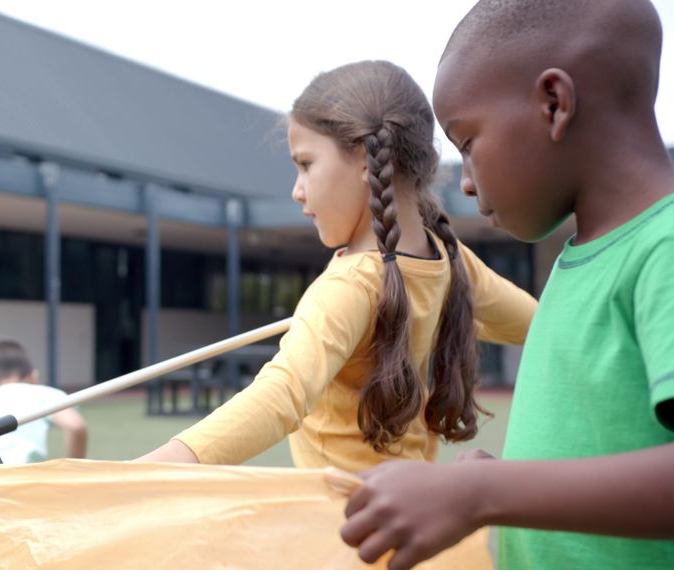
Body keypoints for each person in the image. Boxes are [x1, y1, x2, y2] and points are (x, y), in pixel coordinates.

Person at [339, 1, 674, 569]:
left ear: (553, 103)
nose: (465, 184)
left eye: (468, 142)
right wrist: (506, 483)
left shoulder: (662, 249)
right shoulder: (583, 260)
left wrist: (483, 495)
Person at [137, 60, 536, 474]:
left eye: (305, 164)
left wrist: (144, 471)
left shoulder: (348, 285)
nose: (296, 191)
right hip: (411, 515)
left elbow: (281, 395)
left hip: (343, 525)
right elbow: (542, 324)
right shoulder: (451, 258)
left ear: (364, 158)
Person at [0, 338, 87, 464]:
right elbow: (75, 426)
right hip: (24, 477)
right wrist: (74, 470)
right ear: (34, 377)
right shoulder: (42, 394)